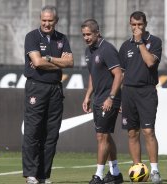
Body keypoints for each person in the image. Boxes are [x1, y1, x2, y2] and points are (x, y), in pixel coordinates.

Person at [22, 5, 74, 184]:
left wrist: (50, 59)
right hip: (37, 86)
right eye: (44, 20)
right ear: (40, 20)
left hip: (55, 88)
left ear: (56, 21)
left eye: (50, 20)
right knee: (33, 131)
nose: (46, 23)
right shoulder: (32, 36)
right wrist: (58, 63)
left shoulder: (62, 38)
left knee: (51, 133)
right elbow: (36, 61)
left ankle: (43, 175)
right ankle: (31, 174)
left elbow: (70, 62)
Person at [118, 11, 162, 184]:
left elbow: (150, 62)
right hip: (128, 92)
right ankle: (137, 169)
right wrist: (118, 97)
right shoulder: (124, 46)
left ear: (145, 24)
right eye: (133, 25)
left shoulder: (155, 41)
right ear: (130, 25)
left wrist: (140, 42)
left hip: (147, 91)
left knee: (148, 131)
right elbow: (120, 74)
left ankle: (155, 171)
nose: (136, 28)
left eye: (140, 25)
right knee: (132, 133)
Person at [81, 19, 124, 184]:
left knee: (102, 136)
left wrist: (111, 98)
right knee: (105, 136)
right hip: (98, 98)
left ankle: (98, 175)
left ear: (97, 33)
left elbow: (119, 75)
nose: (86, 38)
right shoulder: (88, 51)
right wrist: (87, 96)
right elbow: (92, 75)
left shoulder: (107, 49)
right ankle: (115, 173)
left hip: (109, 99)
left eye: (89, 34)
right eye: (84, 35)